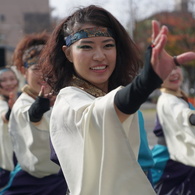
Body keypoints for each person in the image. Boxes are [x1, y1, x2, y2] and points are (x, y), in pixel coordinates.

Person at [41, 5, 195, 195]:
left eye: (108, 45)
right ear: (68, 53)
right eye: (86, 47)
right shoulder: (69, 101)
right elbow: (99, 114)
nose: (99, 56)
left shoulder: (116, 92)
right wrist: (146, 82)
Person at [0, 32, 67, 194]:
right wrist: (39, 107)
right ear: (23, 71)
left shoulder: (64, 97)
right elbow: (29, 115)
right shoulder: (22, 103)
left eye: (49, 67)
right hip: (32, 182)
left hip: (64, 180)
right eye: (37, 68)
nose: (44, 74)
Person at [151, 66, 195, 194]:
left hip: (182, 156)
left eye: (175, 67)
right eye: (166, 70)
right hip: (170, 161)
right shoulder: (168, 100)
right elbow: (183, 115)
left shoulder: (178, 96)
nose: (173, 73)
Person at [0, 67, 19, 189]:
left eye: (12, 79)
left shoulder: (24, 100)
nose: (9, 83)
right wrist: (11, 110)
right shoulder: (1, 104)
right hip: (7, 166)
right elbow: (4, 116)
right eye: (3, 80)